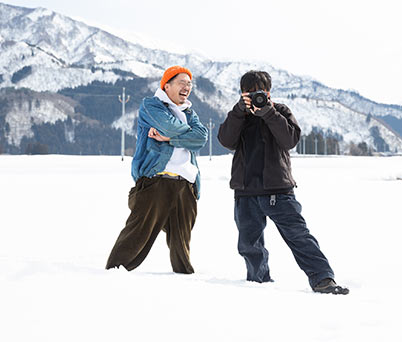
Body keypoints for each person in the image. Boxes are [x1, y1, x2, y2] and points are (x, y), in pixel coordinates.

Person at [217, 70, 349, 294]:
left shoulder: (280, 111)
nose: (255, 96)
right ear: (242, 93)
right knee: (249, 244)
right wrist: (239, 111)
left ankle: (323, 279)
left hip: (278, 190)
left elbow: (290, 140)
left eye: (260, 91)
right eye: (249, 92)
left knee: (298, 236)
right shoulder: (238, 115)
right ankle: (258, 283)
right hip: (245, 191)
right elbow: (226, 140)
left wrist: (268, 112)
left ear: (269, 92)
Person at [106, 65, 208, 274]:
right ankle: (112, 274)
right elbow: (170, 127)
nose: (187, 87)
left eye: (190, 84)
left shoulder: (189, 112)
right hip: (156, 181)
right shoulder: (151, 106)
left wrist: (170, 138)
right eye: (182, 82)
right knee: (137, 235)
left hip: (185, 183)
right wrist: (183, 135)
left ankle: (184, 279)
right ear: (167, 85)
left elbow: (201, 138)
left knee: (182, 242)